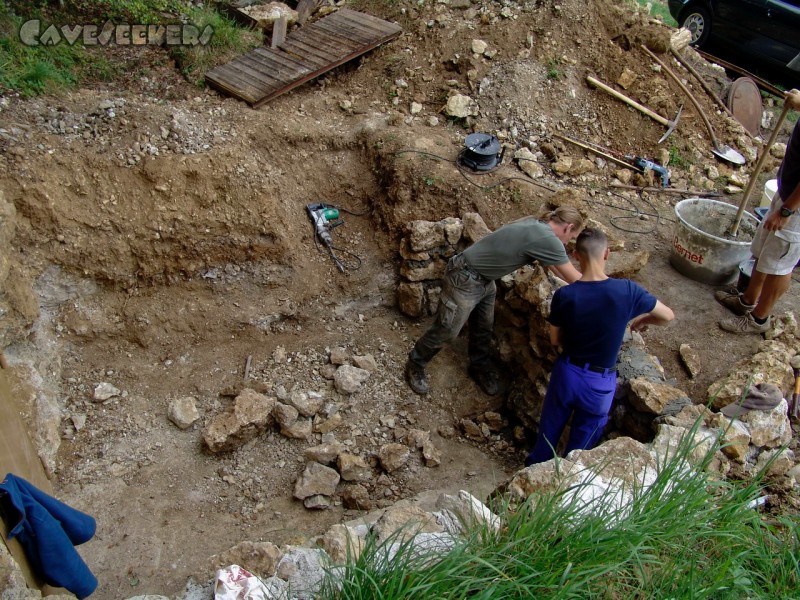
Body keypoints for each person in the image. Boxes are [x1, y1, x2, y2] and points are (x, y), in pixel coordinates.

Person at [525, 228, 674, 466]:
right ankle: (567, 489)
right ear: (607, 253)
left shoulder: (565, 295)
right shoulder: (627, 291)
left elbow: (555, 339)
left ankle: (533, 474)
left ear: (575, 255)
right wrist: (644, 319)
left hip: (568, 373)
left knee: (548, 433)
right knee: (581, 452)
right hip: (599, 383)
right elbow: (667, 315)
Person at [405, 206, 585, 396]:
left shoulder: (538, 225)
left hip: (483, 279)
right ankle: (416, 363)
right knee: (448, 329)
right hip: (465, 278)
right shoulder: (547, 237)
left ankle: (479, 366)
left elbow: (554, 266)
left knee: (483, 326)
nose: (567, 243)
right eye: (571, 238)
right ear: (568, 227)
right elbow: (575, 278)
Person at [716, 89, 800, 334]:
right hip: (788, 189)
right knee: (766, 250)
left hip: (796, 207)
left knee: (779, 263)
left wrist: (786, 212)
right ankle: (747, 300)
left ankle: (759, 320)